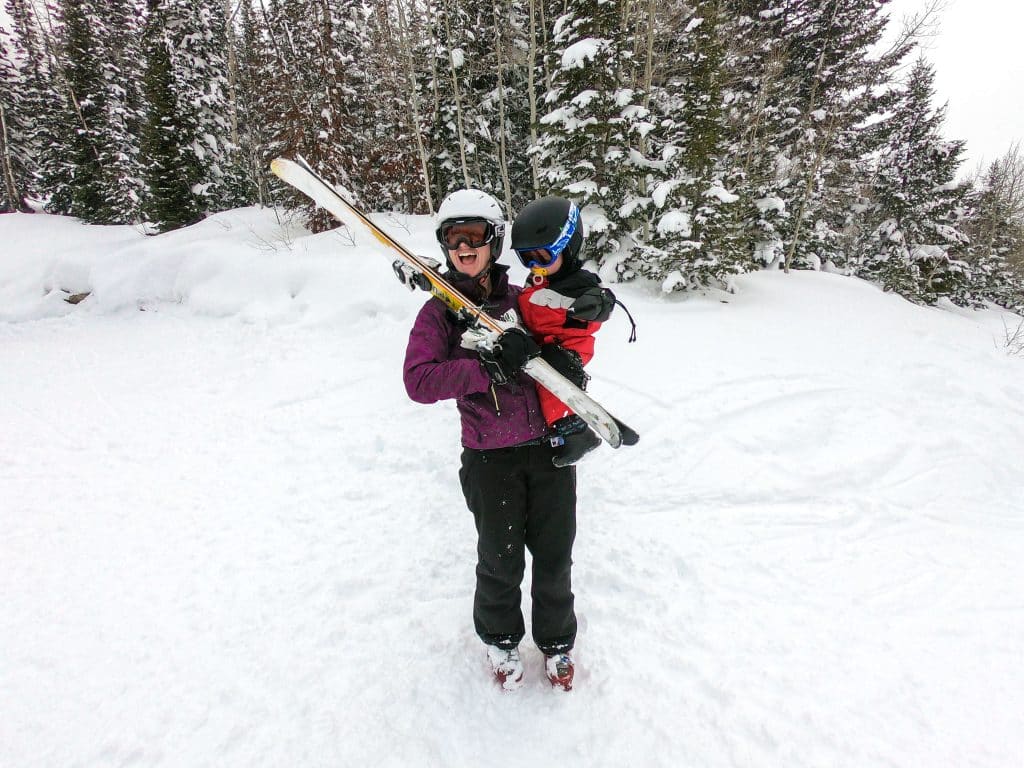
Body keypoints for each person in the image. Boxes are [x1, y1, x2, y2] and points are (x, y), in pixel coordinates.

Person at [398, 189, 578, 692]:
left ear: (493, 240)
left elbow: (567, 337)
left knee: (555, 553)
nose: (463, 247)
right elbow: (419, 380)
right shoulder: (438, 314)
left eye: (474, 235)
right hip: (489, 457)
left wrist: (567, 356)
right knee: (500, 559)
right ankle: (501, 637)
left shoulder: (523, 297)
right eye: (453, 238)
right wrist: (483, 367)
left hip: (549, 451)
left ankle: (557, 641)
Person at [510, 196, 617, 467]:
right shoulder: (540, 278)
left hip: (567, 349)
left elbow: (599, 301)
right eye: (527, 258)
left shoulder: (577, 282)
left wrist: (597, 304)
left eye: (544, 256)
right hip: (541, 343)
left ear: (567, 247)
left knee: (552, 389)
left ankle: (576, 432)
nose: (536, 265)